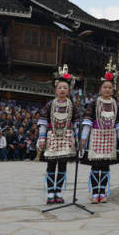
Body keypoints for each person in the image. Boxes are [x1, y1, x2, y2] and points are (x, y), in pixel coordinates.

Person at [81, 61, 119, 204]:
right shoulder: (94, 103)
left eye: (110, 87)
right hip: (96, 136)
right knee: (95, 166)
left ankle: (102, 192)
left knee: (105, 166)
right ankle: (95, 192)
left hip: (110, 137)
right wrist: (83, 137)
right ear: (100, 89)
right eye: (105, 87)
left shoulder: (116, 105)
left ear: (113, 89)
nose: (107, 90)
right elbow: (88, 121)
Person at [37, 65, 79, 205]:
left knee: (62, 166)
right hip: (52, 136)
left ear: (69, 90)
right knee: (50, 165)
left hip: (66, 136)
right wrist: (42, 137)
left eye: (65, 88)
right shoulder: (49, 104)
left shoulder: (72, 105)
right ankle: (50, 193)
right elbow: (43, 121)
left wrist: (78, 138)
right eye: (60, 87)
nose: (62, 90)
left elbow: (77, 121)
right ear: (55, 90)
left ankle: (59, 192)